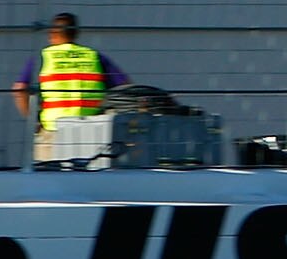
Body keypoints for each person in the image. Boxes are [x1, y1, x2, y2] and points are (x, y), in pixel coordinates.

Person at [13, 11, 179, 164]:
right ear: (76, 33)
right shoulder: (94, 57)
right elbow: (125, 89)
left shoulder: (42, 57)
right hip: (90, 131)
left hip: (52, 131)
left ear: (51, 33)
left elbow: (20, 90)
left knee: (47, 180)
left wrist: (33, 123)